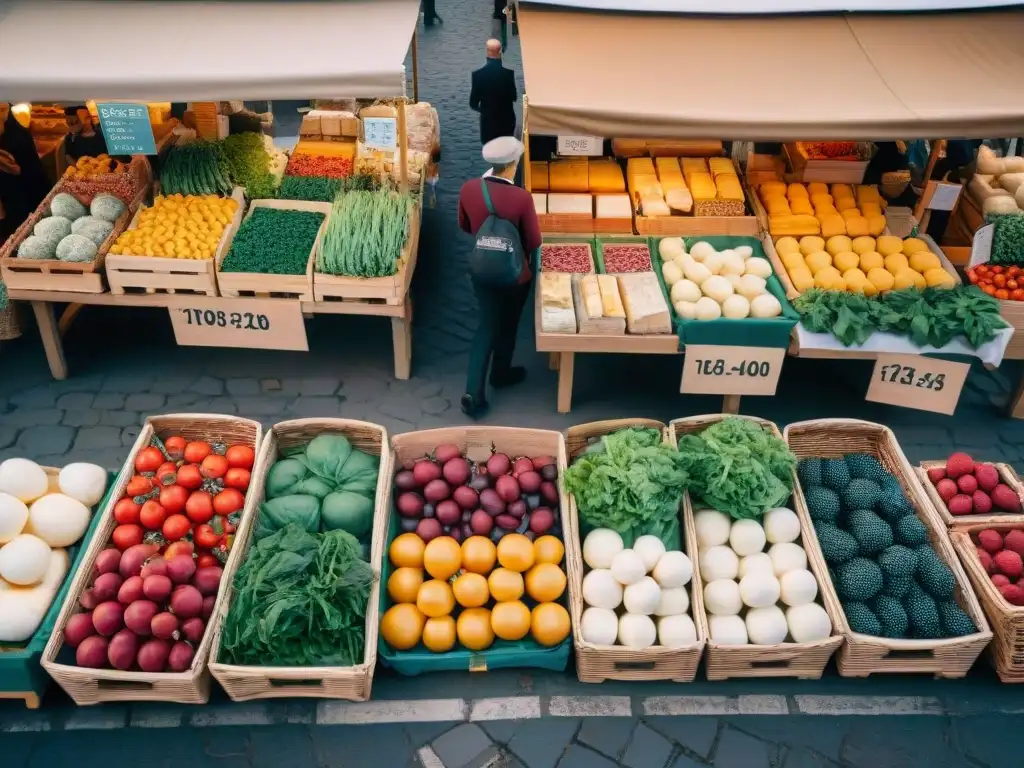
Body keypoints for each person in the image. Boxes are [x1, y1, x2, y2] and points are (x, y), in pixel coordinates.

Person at [457, 136, 541, 418]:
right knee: (509, 324)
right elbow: (533, 240)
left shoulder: (470, 189)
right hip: (516, 275)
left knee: (487, 326)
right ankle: (500, 374)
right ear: (514, 164)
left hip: (481, 270)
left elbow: (465, 226)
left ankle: (472, 393)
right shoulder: (521, 198)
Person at [0, 102, 51, 246]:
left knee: (23, 233)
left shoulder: (15, 137)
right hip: (18, 196)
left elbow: (19, 170)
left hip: (23, 196)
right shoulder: (14, 131)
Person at [470, 39, 517, 147]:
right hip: (506, 121)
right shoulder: (509, 74)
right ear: (500, 51)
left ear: (487, 51)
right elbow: (514, 97)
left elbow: (473, 104)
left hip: (488, 123)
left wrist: (485, 110)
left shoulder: (477, 75)